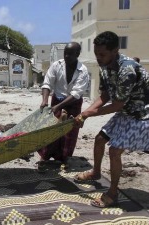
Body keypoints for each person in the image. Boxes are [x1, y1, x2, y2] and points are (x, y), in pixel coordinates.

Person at [74, 31, 149, 208]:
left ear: (115, 51)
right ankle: (96, 173)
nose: (98, 58)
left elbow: (116, 105)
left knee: (114, 151)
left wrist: (88, 115)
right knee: (100, 140)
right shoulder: (105, 66)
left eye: (102, 54)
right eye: (96, 54)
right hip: (126, 112)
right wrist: (85, 112)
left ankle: (113, 193)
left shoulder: (127, 70)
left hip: (142, 116)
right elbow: (105, 96)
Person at [38, 42, 89, 163]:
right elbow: (47, 83)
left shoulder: (83, 70)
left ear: (77, 54)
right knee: (52, 131)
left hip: (73, 103)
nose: (66, 56)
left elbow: (76, 94)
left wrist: (59, 106)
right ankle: (44, 157)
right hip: (56, 101)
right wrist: (45, 100)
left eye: (70, 54)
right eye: (65, 53)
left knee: (70, 133)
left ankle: (64, 158)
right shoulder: (56, 65)